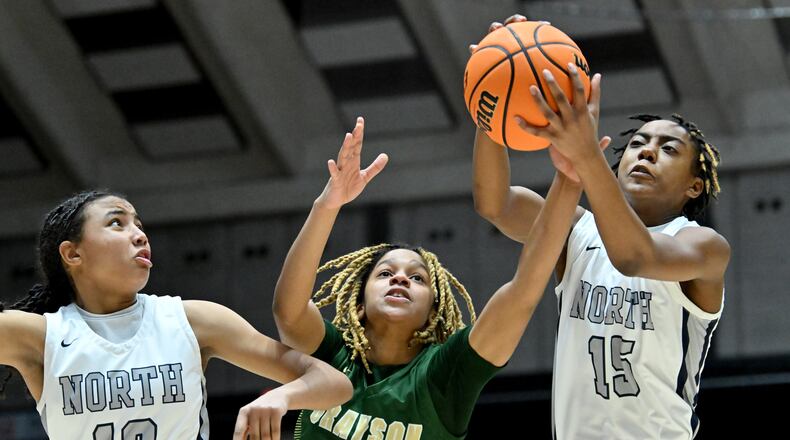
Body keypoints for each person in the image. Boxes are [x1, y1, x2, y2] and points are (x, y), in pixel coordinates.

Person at [473, 14, 731, 440]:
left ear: (695, 184)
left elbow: (634, 257)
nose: (647, 153)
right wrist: (493, 104)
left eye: (668, 149)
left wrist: (585, 157)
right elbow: (494, 203)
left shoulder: (703, 245)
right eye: (637, 144)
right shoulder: (577, 230)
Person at [268, 116, 602, 439]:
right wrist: (327, 205)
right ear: (360, 299)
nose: (400, 280)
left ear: (434, 308)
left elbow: (522, 293)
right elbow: (289, 311)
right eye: (386, 273)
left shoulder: (445, 374)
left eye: (417, 279)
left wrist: (568, 182)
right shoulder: (335, 355)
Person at [0, 190, 352, 440]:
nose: (139, 234)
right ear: (72, 254)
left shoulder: (192, 320)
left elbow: (335, 384)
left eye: (138, 224)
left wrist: (281, 396)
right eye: (117, 223)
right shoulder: (39, 335)